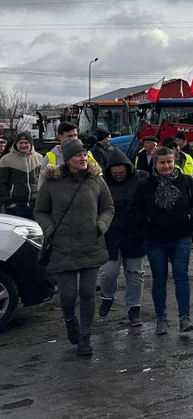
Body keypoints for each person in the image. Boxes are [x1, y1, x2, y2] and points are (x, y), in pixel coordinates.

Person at [34, 139, 115, 357]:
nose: (83, 158)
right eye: (78, 155)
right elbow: (40, 211)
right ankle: (70, 321)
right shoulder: (52, 182)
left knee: (88, 294)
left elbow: (108, 207)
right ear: (68, 159)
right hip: (62, 245)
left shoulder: (96, 180)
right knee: (68, 296)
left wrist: (101, 225)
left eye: (85, 155)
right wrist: (50, 229)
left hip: (92, 243)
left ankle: (85, 338)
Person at [134, 146, 193, 335]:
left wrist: (190, 216)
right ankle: (161, 319)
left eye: (170, 162)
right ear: (155, 164)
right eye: (162, 163)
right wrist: (147, 222)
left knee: (181, 275)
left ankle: (185, 318)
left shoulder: (186, 181)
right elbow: (136, 210)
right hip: (155, 240)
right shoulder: (146, 185)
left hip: (181, 237)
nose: (166, 166)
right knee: (159, 279)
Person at [100, 151, 148, 326]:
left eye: (121, 173)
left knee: (135, 273)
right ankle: (107, 297)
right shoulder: (102, 184)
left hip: (134, 235)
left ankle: (134, 309)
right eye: (114, 174)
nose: (118, 176)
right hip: (110, 234)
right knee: (108, 272)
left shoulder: (141, 179)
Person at [40, 121, 98, 188]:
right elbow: (42, 187)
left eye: (75, 135)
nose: (73, 139)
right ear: (59, 137)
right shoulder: (49, 158)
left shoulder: (87, 154)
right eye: (69, 136)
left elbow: (98, 180)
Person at [0, 132, 43, 219]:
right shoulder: (5, 160)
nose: (23, 145)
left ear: (31, 144)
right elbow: (1, 183)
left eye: (26, 142)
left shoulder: (39, 158)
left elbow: (42, 180)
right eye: (21, 142)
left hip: (35, 205)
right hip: (15, 206)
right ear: (16, 144)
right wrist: (8, 202)